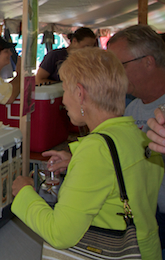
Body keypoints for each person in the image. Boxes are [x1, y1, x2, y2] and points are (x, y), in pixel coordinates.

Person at [11, 47, 164, 259]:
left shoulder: (96, 151)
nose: (63, 101)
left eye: (64, 90)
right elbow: (125, 177)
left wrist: (24, 192)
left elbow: (60, 234)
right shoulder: (141, 135)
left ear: (80, 93)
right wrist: (76, 162)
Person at [107, 24, 165, 250]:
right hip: (148, 218)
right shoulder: (132, 109)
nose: (115, 74)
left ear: (148, 62)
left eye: (120, 66)